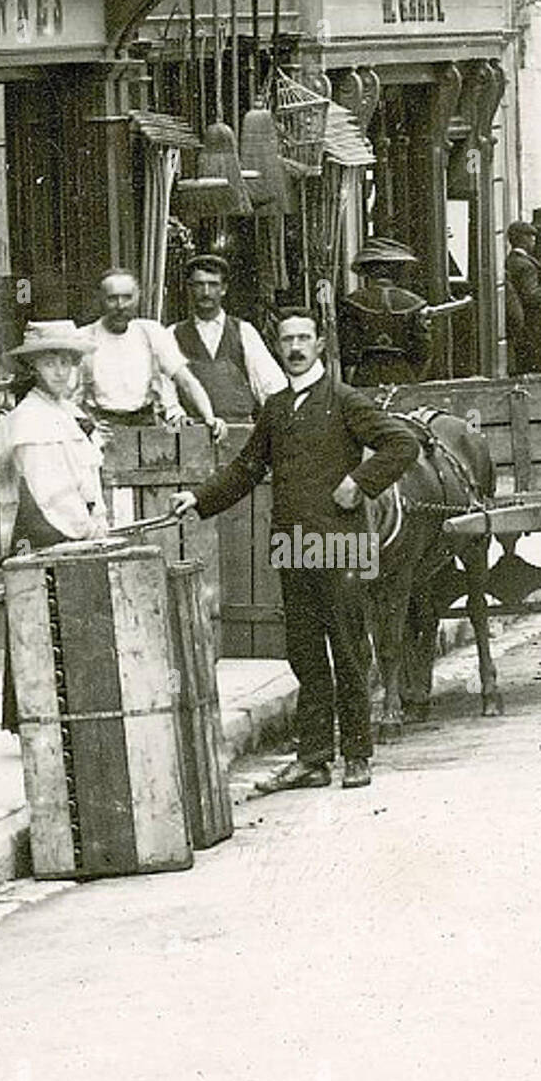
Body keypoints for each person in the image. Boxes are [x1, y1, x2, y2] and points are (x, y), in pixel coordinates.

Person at [171, 309, 419, 792]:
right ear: (278, 346)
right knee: (304, 653)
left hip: (341, 543)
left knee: (347, 650)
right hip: (293, 544)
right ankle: (313, 759)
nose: (296, 347)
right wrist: (199, 499)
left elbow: (401, 444)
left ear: (320, 344)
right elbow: (246, 468)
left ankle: (357, 754)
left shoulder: (345, 401)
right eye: (288, 339)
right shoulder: (277, 407)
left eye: (305, 338)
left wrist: (359, 482)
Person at [0, 320, 112, 733]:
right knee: (43, 619)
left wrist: (98, 517)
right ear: (35, 367)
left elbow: (86, 474)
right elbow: (48, 486)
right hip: (47, 528)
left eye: (67, 363)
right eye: (51, 363)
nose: (60, 372)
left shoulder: (66, 413)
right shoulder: (31, 420)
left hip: (74, 524)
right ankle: (38, 712)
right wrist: (85, 524)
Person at [76, 269, 227, 443]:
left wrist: (209, 416)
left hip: (147, 428)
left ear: (138, 297)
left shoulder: (150, 332)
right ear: (99, 299)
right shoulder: (83, 339)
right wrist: (88, 428)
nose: (120, 305)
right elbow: (66, 400)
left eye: (127, 297)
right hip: (103, 434)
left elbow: (186, 381)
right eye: (112, 298)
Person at [168, 254, 287, 421]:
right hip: (192, 435)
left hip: (240, 433)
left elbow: (272, 386)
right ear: (190, 289)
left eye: (213, 284)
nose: (206, 292)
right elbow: (164, 389)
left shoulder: (243, 331)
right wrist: (177, 415)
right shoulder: (173, 334)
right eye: (199, 285)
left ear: (223, 289)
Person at [337, 238, 432, 387]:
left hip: (365, 374)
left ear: (366, 270)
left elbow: (348, 350)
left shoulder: (352, 302)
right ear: (398, 269)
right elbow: (422, 351)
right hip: (402, 373)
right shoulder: (414, 303)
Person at [504, 220, 541, 375]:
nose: (534, 241)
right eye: (531, 238)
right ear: (522, 240)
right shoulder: (525, 265)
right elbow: (531, 296)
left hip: (531, 326)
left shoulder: (512, 260)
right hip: (537, 325)